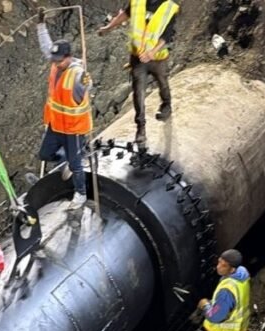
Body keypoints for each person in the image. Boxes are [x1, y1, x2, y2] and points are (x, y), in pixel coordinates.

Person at [98, 1, 179, 146]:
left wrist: (152, 53)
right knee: (138, 92)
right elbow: (125, 14)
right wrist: (109, 27)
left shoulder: (169, 8)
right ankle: (140, 128)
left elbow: (166, 36)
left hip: (157, 58)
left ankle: (166, 105)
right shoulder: (137, 2)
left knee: (163, 83)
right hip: (137, 58)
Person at [37, 8, 93, 209]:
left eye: (59, 60)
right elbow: (46, 46)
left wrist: (86, 79)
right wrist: (41, 24)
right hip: (55, 125)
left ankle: (80, 194)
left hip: (73, 129)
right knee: (45, 155)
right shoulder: (55, 63)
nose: (55, 64)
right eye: (55, 60)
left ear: (68, 57)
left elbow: (87, 86)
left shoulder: (78, 74)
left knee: (76, 165)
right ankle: (66, 160)